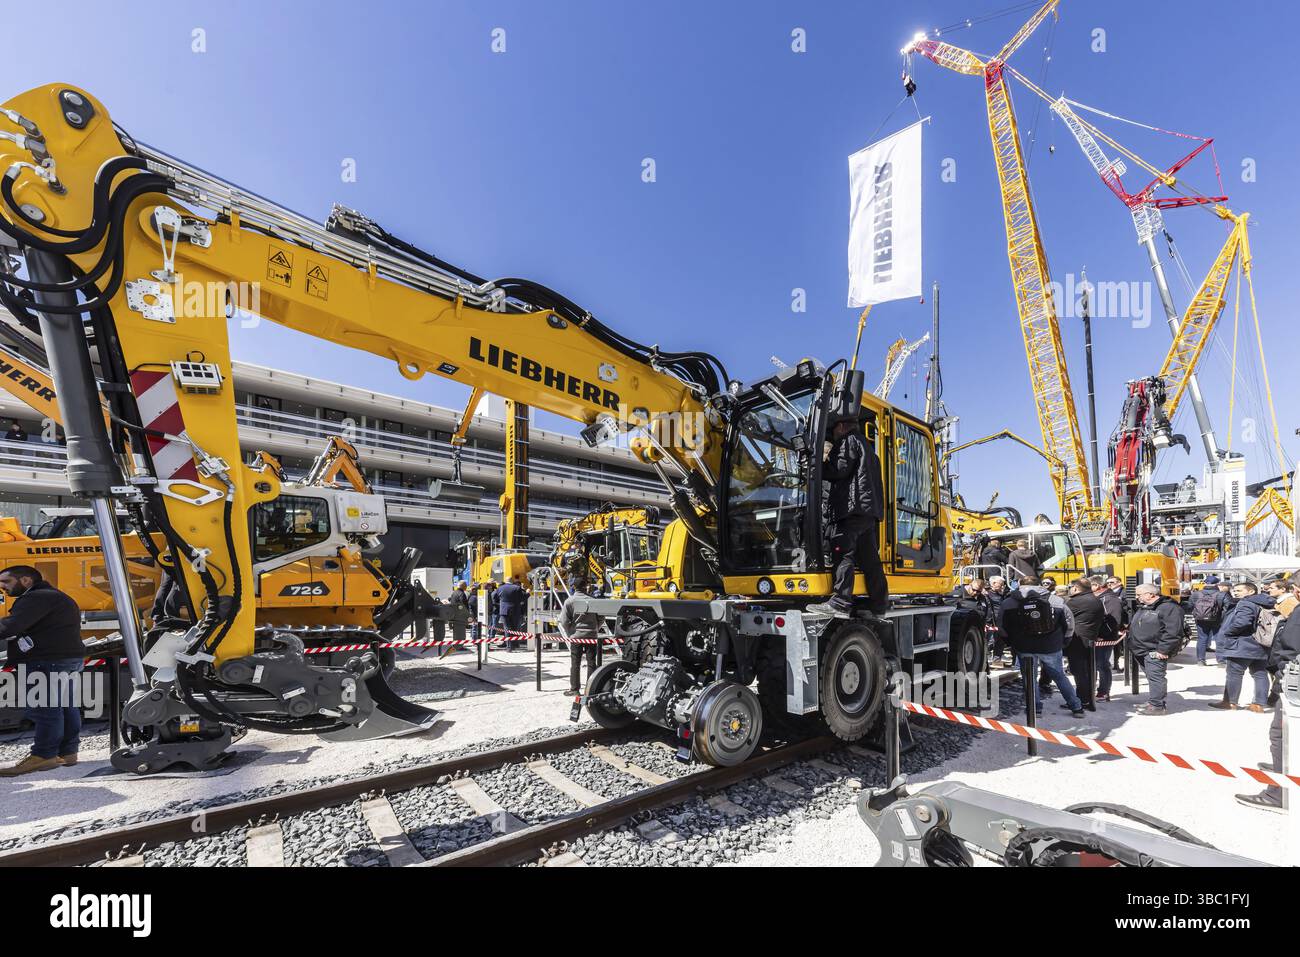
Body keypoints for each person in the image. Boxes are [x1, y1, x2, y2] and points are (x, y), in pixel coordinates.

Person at [0, 566, 86, 776]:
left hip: (47, 660)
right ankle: (67, 752)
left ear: (26, 580)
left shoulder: (36, 598)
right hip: (65, 658)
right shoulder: (53, 596)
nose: (2, 588)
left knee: (45, 708)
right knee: (66, 706)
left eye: (6, 582)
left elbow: (11, 626)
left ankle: (44, 755)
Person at [807, 413, 888, 619]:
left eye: (834, 430)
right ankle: (879, 605)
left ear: (842, 426)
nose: (833, 435)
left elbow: (838, 469)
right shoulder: (869, 451)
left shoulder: (848, 441)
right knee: (870, 561)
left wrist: (816, 466)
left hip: (850, 510)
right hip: (867, 513)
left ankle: (840, 602)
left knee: (843, 554)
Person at [1236, 570, 1300, 812]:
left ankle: (1279, 792)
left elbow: (1291, 650)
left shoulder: (1296, 612)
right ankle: (1283, 769)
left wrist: (1284, 675)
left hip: (1294, 687)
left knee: (1282, 735)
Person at [1000, 575, 1084, 718]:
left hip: (1023, 646)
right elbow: (1069, 623)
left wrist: (1010, 642)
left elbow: (1001, 625)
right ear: (1040, 584)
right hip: (1051, 645)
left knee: (1029, 678)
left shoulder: (1009, 602)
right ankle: (1076, 707)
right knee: (1059, 676)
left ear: (1020, 584)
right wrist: (1065, 640)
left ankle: (1035, 709)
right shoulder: (1056, 601)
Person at [1212, 581, 1274, 712]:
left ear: (1251, 591)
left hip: (1243, 644)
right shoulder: (1266, 602)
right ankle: (1259, 704)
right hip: (1262, 643)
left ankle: (1230, 702)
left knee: (1234, 673)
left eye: (1239, 590)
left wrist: (1228, 632)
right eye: (1235, 590)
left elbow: (1242, 622)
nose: (1235, 592)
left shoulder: (1246, 603)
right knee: (1260, 674)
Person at [1127, 583, 1184, 715]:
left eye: (1139, 594)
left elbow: (1173, 632)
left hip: (1154, 650)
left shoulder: (1169, 608)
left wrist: (1163, 650)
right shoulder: (1146, 606)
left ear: (1150, 594)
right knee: (1152, 677)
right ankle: (1154, 701)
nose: (1137, 597)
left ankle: (1157, 705)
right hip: (1141, 649)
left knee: (1156, 677)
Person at [1065, 579, 1106, 711]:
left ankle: (1082, 700)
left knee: (1079, 672)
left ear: (1076, 588)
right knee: (1088, 671)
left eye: (1070, 587)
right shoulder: (1096, 599)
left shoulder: (1075, 602)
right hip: (1089, 638)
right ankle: (1087, 699)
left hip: (1077, 640)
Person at [560, 579, 605, 696]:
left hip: (576, 636)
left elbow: (564, 621)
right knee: (591, 662)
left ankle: (574, 689)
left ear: (574, 587)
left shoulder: (569, 601)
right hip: (591, 635)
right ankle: (591, 689)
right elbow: (601, 618)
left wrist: (570, 632)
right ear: (586, 586)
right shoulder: (593, 600)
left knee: (575, 663)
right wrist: (595, 628)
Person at [1090, 575, 1122, 701]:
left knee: (1102, 664)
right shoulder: (1100, 598)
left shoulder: (1110, 599)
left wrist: (1102, 635)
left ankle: (1103, 691)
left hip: (1104, 639)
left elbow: (1114, 621)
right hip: (1097, 638)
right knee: (1096, 664)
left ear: (1096, 586)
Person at [1190, 575, 1228, 665]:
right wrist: (1221, 617)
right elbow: (1227, 608)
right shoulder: (1222, 594)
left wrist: (1197, 614)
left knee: (1202, 639)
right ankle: (1221, 661)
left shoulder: (1196, 594)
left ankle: (1201, 660)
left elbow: (1189, 606)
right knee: (1219, 639)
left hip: (1200, 620)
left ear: (1205, 583)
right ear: (1217, 584)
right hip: (1217, 620)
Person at [495, 576, 527, 650]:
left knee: (507, 628)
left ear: (505, 581)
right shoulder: (517, 588)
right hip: (515, 610)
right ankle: (514, 645)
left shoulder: (500, 588)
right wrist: (528, 593)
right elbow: (522, 598)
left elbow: (496, 597)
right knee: (515, 628)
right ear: (512, 581)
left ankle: (509, 646)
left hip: (503, 610)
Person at [986, 576, 1011, 667]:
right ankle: (985, 659)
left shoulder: (1003, 594)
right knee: (987, 641)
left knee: (1000, 640)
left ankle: (997, 658)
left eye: (1003, 584)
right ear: (993, 584)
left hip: (1001, 620)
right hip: (991, 621)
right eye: (1001, 584)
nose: (1002, 586)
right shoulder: (987, 594)